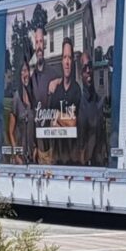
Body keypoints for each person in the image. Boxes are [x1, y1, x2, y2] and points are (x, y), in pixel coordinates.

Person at [45, 37, 81, 165]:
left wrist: (57, 115)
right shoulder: (56, 89)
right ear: (61, 61)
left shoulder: (76, 89)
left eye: (70, 58)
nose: (67, 62)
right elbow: (51, 125)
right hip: (56, 158)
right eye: (65, 57)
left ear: (73, 61)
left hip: (72, 159)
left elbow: (72, 124)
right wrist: (63, 119)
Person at [76, 51, 107, 166]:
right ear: (80, 73)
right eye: (84, 68)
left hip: (100, 168)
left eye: (90, 67)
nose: (88, 71)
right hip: (83, 169)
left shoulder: (100, 103)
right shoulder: (78, 104)